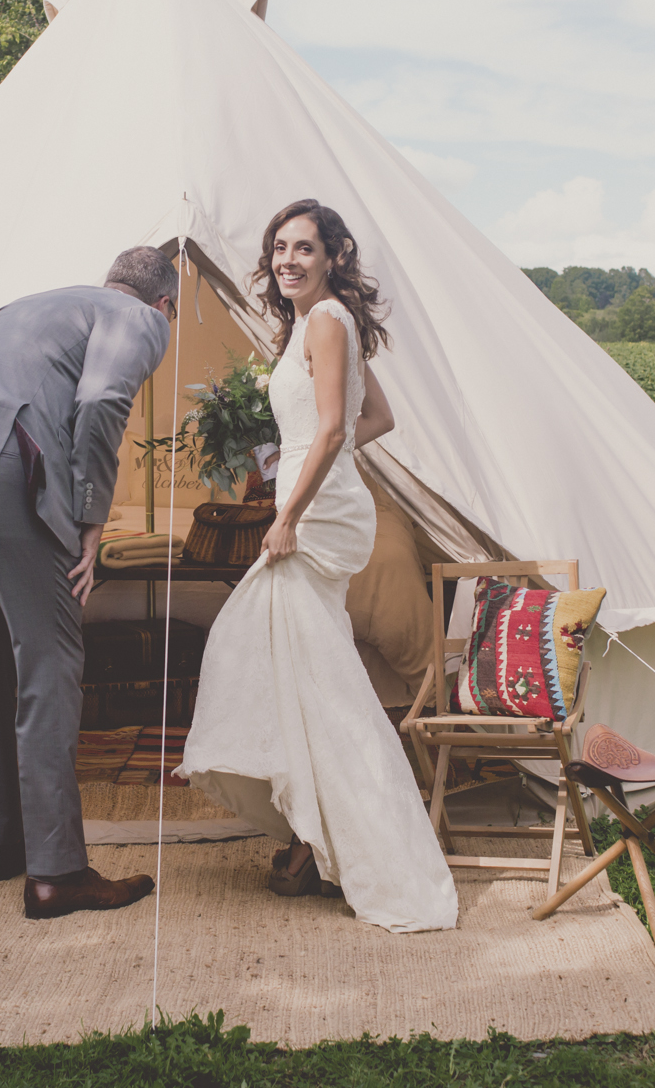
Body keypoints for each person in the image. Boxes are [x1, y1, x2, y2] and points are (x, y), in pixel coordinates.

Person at [176, 201, 459, 933]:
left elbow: (338, 426)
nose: (287, 258)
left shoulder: (329, 319)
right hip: (319, 497)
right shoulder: (312, 324)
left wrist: (290, 509)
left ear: (333, 255)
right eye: (279, 247)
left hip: (319, 516)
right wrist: (293, 452)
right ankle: (314, 825)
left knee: (284, 659)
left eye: (304, 247)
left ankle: (364, 840)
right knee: (306, 671)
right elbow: (377, 416)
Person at [0, 247, 176, 920]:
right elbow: (104, 399)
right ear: (163, 303)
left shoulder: (28, 306)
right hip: (1, 468)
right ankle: (57, 871)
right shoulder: (140, 318)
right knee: (49, 658)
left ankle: (4, 841)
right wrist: (90, 515)